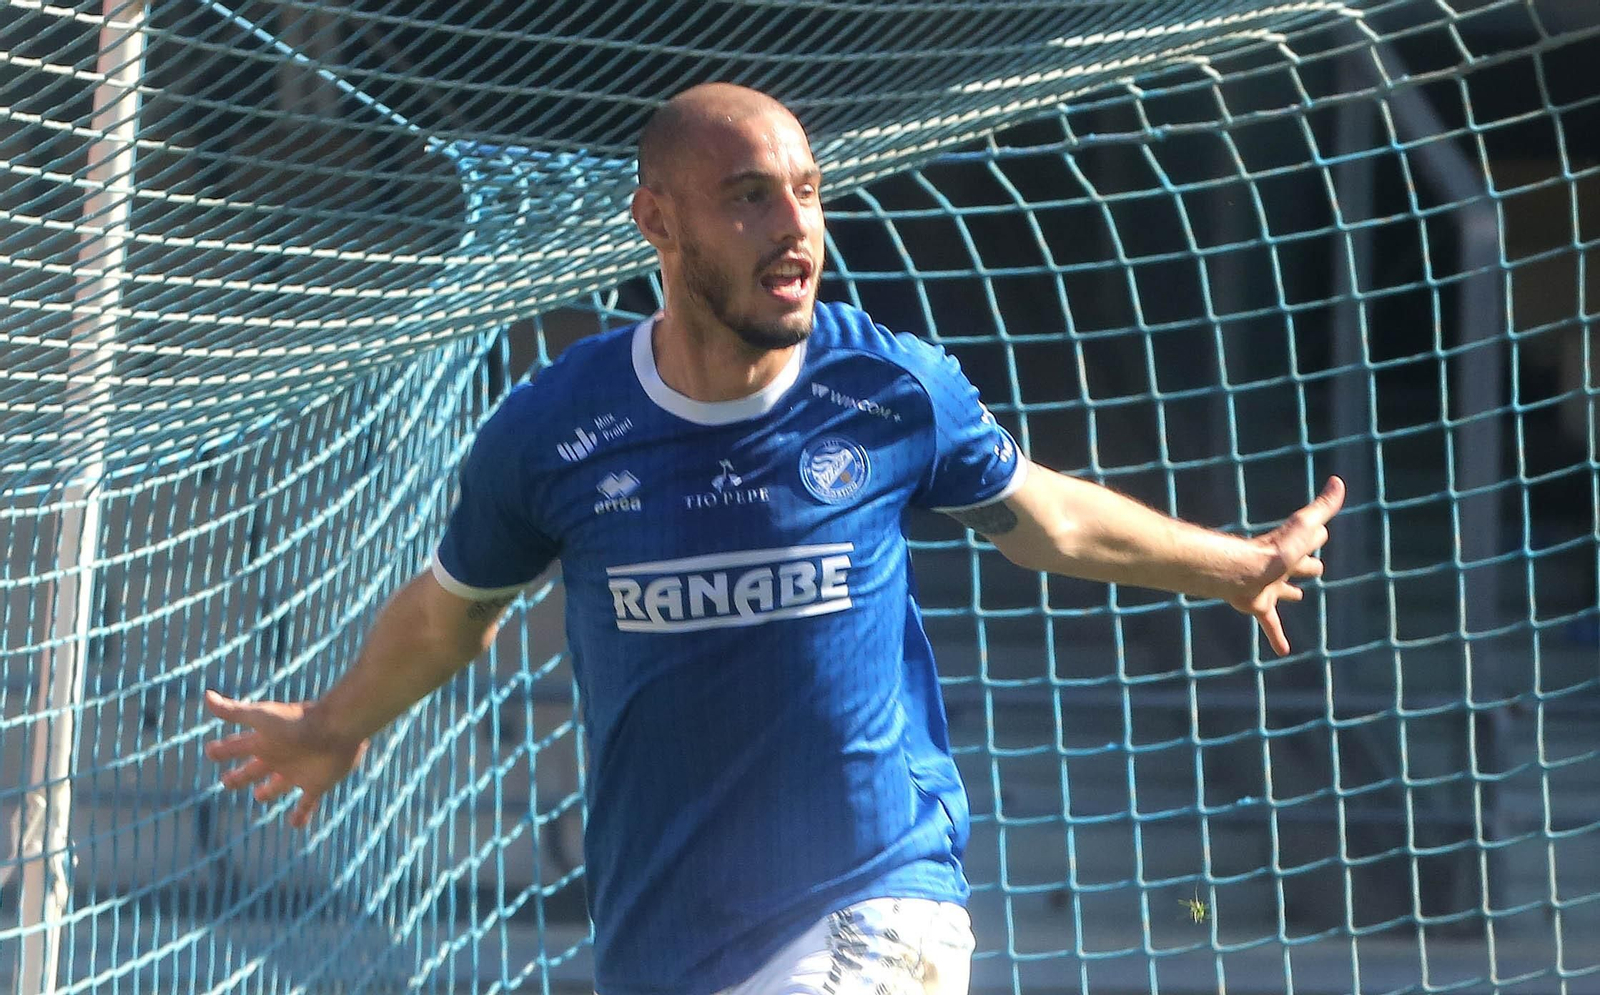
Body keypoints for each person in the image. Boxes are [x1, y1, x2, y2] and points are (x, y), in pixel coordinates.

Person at [203, 83, 1344, 995]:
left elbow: (1048, 519)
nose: (795, 226)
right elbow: (455, 607)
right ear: (657, 219)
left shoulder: (886, 386)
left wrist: (1235, 564)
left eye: (806, 191)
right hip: (665, 934)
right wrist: (334, 722)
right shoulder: (555, 428)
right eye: (749, 196)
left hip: (879, 892)